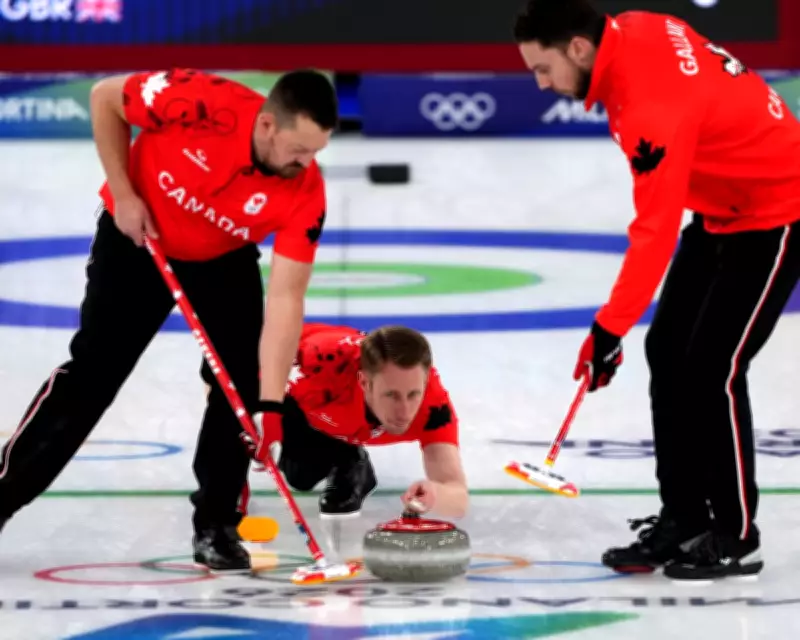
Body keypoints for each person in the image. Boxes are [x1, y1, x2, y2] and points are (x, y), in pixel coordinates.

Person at [0, 68, 338, 573]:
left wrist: (269, 404)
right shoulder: (202, 102)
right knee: (93, 373)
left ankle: (216, 525)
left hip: (222, 256)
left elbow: (288, 299)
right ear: (267, 125)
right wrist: (124, 193)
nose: (306, 163)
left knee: (241, 382)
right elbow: (105, 98)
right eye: (299, 149)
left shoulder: (306, 191)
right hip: (139, 237)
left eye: (315, 152)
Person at [513, 0, 800, 581]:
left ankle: (734, 532)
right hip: (721, 208)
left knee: (714, 367)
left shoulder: (649, 105)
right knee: (667, 351)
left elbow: (653, 232)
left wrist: (608, 327)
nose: (542, 84)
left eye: (542, 69)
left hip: (778, 209)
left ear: (578, 48)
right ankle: (684, 516)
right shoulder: (638, 25)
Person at [257, 322, 468, 520]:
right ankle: (345, 454)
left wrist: (434, 494)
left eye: (414, 394)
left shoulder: (434, 409)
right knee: (301, 476)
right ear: (365, 383)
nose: (404, 412)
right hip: (294, 392)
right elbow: (246, 373)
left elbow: (457, 495)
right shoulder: (317, 367)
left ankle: (349, 459)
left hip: (333, 413)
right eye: (391, 395)